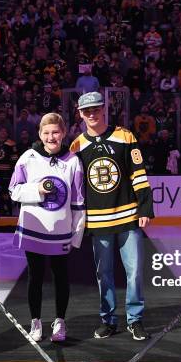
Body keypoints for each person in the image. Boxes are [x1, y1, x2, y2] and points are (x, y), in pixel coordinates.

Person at [69, 92, 154, 341]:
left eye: (96, 109)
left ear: (104, 109)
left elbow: (138, 173)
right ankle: (108, 319)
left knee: (135, 271)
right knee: (103, 273)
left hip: (128, 216)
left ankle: (135, 319)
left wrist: (145, 207)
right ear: (80, 113)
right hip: (98, 221)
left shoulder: (125, 136)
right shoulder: (76, 146)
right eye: (87, 111)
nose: (92, 114)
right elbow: (76, 187)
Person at [9, 113, 86, 342]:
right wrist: (37, 190)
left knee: (61, 277)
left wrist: (76, 235)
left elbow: (78, 201)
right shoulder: (28, 157)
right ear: (40, 135)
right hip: (33, 227)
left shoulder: (73, 160)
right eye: (46, 133)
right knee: (35, 277)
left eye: (55, 132)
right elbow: (14, 191)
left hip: (60, 231)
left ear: (63, 133)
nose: (51, 137)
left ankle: (60, 322)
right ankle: (35, 322)